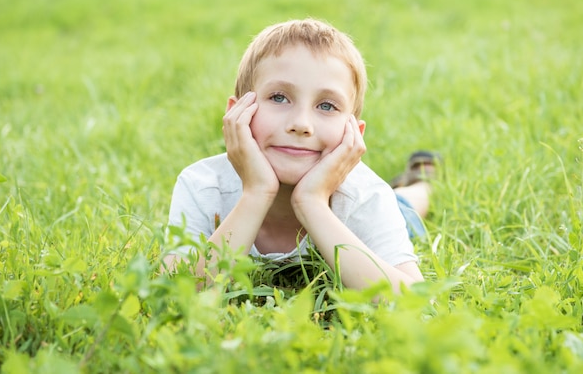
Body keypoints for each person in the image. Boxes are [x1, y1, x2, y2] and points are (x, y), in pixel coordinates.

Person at [163, 18, 438, 293]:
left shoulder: (365, 196)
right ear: (236, 113)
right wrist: (256, 192)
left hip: (370, 209)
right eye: (279, 98)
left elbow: (414, 300)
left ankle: (423, 182)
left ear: (354, 132)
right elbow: (177, 290)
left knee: (404, 209)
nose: (301, 124)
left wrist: (312, 202)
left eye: (327, 105)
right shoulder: (203, 186)